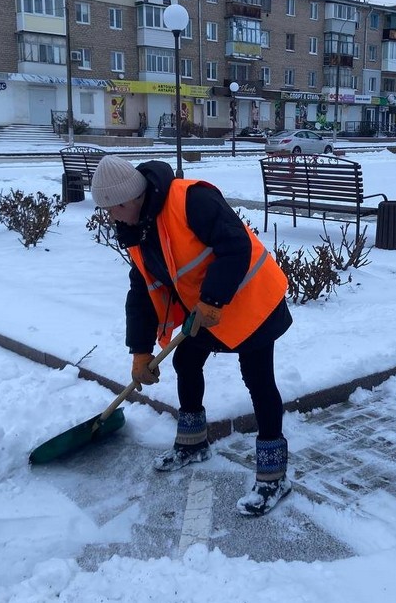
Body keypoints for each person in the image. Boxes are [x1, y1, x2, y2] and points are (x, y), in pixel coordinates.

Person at [91, 155, 294, 516]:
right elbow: (142, 291)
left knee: (259, 380)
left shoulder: (191, 200)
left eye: (110, 210)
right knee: (186, 360)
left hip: (252, 301)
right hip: (204, 310)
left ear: (126, 202)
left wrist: (213, 298)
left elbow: (235, 246)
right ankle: (193, 443)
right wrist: (139, 351)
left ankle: (273, 476)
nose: (110, 219)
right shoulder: (139, 231)